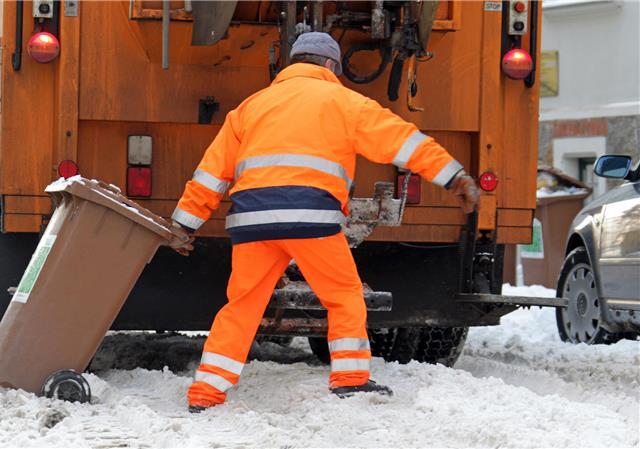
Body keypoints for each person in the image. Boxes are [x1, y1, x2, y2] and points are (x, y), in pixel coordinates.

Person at [167, 32, 480, 413]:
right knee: (344, 296)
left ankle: (206, 393)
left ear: (293, 63)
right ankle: (349, 379)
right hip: (312, 220)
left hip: (252, 224)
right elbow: (405, 142)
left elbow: (210, 173)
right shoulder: (345, 102)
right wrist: (454, 176)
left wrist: (185, 225)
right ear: (331, 66)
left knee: (242, 307)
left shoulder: (251, 107)